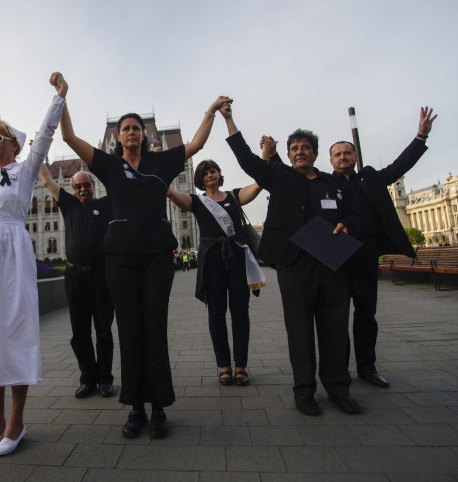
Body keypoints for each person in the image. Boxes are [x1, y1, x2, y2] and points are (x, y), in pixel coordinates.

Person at [58, 93, 233, 439]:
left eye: (136, 128)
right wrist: (61, 99)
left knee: (155, 328)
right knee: (129, 329)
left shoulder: (161, 163)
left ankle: (158, 406)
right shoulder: (108, 165)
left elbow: (197, 143)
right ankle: (135, 405)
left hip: (156, 255)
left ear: (144, 135)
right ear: (118, 137)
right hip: (119, 258)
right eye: (125, 128)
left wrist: (211, 111)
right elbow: (68, 138)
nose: (131, 132)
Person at [222, 101, 366, 417]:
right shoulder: (280, 176)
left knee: (334, 330)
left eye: (306, 147)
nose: (300, 151)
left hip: (332, 264)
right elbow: (246, 160)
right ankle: (304, 391)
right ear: (288, 155)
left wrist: (350, 224)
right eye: (294, 148)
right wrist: (230, 121)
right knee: (299, 332)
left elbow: (357, 213)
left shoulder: (334, 183)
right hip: (295, 264)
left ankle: (339, 389)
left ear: (315, 153)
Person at [0, 72, 68, 456]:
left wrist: (60, 97)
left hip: (11, 254)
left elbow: (46, 132)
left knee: (14, 333)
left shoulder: (23, 171)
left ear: (14, 145)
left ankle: (17, 422)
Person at [329, 107, 437, 387]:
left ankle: (367, 366)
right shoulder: (325, 184)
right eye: (338, 154)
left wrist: (420, 137)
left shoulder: (370, 179)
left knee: (366, 314)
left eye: (347, 153)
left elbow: (399, 167)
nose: (343, 157)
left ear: (354, 157)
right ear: (331, 160)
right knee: (337, 317)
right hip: (337, 258)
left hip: (365, 254)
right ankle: (339, 370)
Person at [167, 158, 263, 387]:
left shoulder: (234, 197)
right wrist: (163, 164)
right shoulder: (196, 202)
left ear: (220, 174)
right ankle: (224, 366)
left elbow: (258, 185)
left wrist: (264, 157)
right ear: (199, 178)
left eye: (214, 171)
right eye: (206, 172)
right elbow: (169, 193)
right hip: (212, 261)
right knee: (216, 314)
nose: (210, 175)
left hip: (237, 259)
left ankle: (241, 365)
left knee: (240, 311)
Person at [38, 164, 116, 398]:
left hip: (101, 275)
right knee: (79, 332)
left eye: (87, 185)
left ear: (94, 186)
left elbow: (121, 185)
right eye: (78, 186)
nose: (83, 189)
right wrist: (39, 153)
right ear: (72, 190)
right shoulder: (69, 205)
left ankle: (105, 380)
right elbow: (48, 182)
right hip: (74, 277)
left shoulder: (105, 205)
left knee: (103, 330)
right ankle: (87, 379)